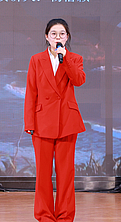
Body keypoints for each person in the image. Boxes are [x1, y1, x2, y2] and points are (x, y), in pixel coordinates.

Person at [24, 18, 86, 222]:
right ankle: (44, 215)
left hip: (67, 122)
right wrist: (29, 123)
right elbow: (31, 92)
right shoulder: (36, 60)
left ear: (67, 37)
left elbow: (78, 80)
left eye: (62, 34)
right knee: (43, 174)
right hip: (42, 122)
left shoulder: (74, 58)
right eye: (54, 34)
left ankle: (65, 216)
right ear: (46, 37)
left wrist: (65, 59)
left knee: (66, 174)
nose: (58, 37)